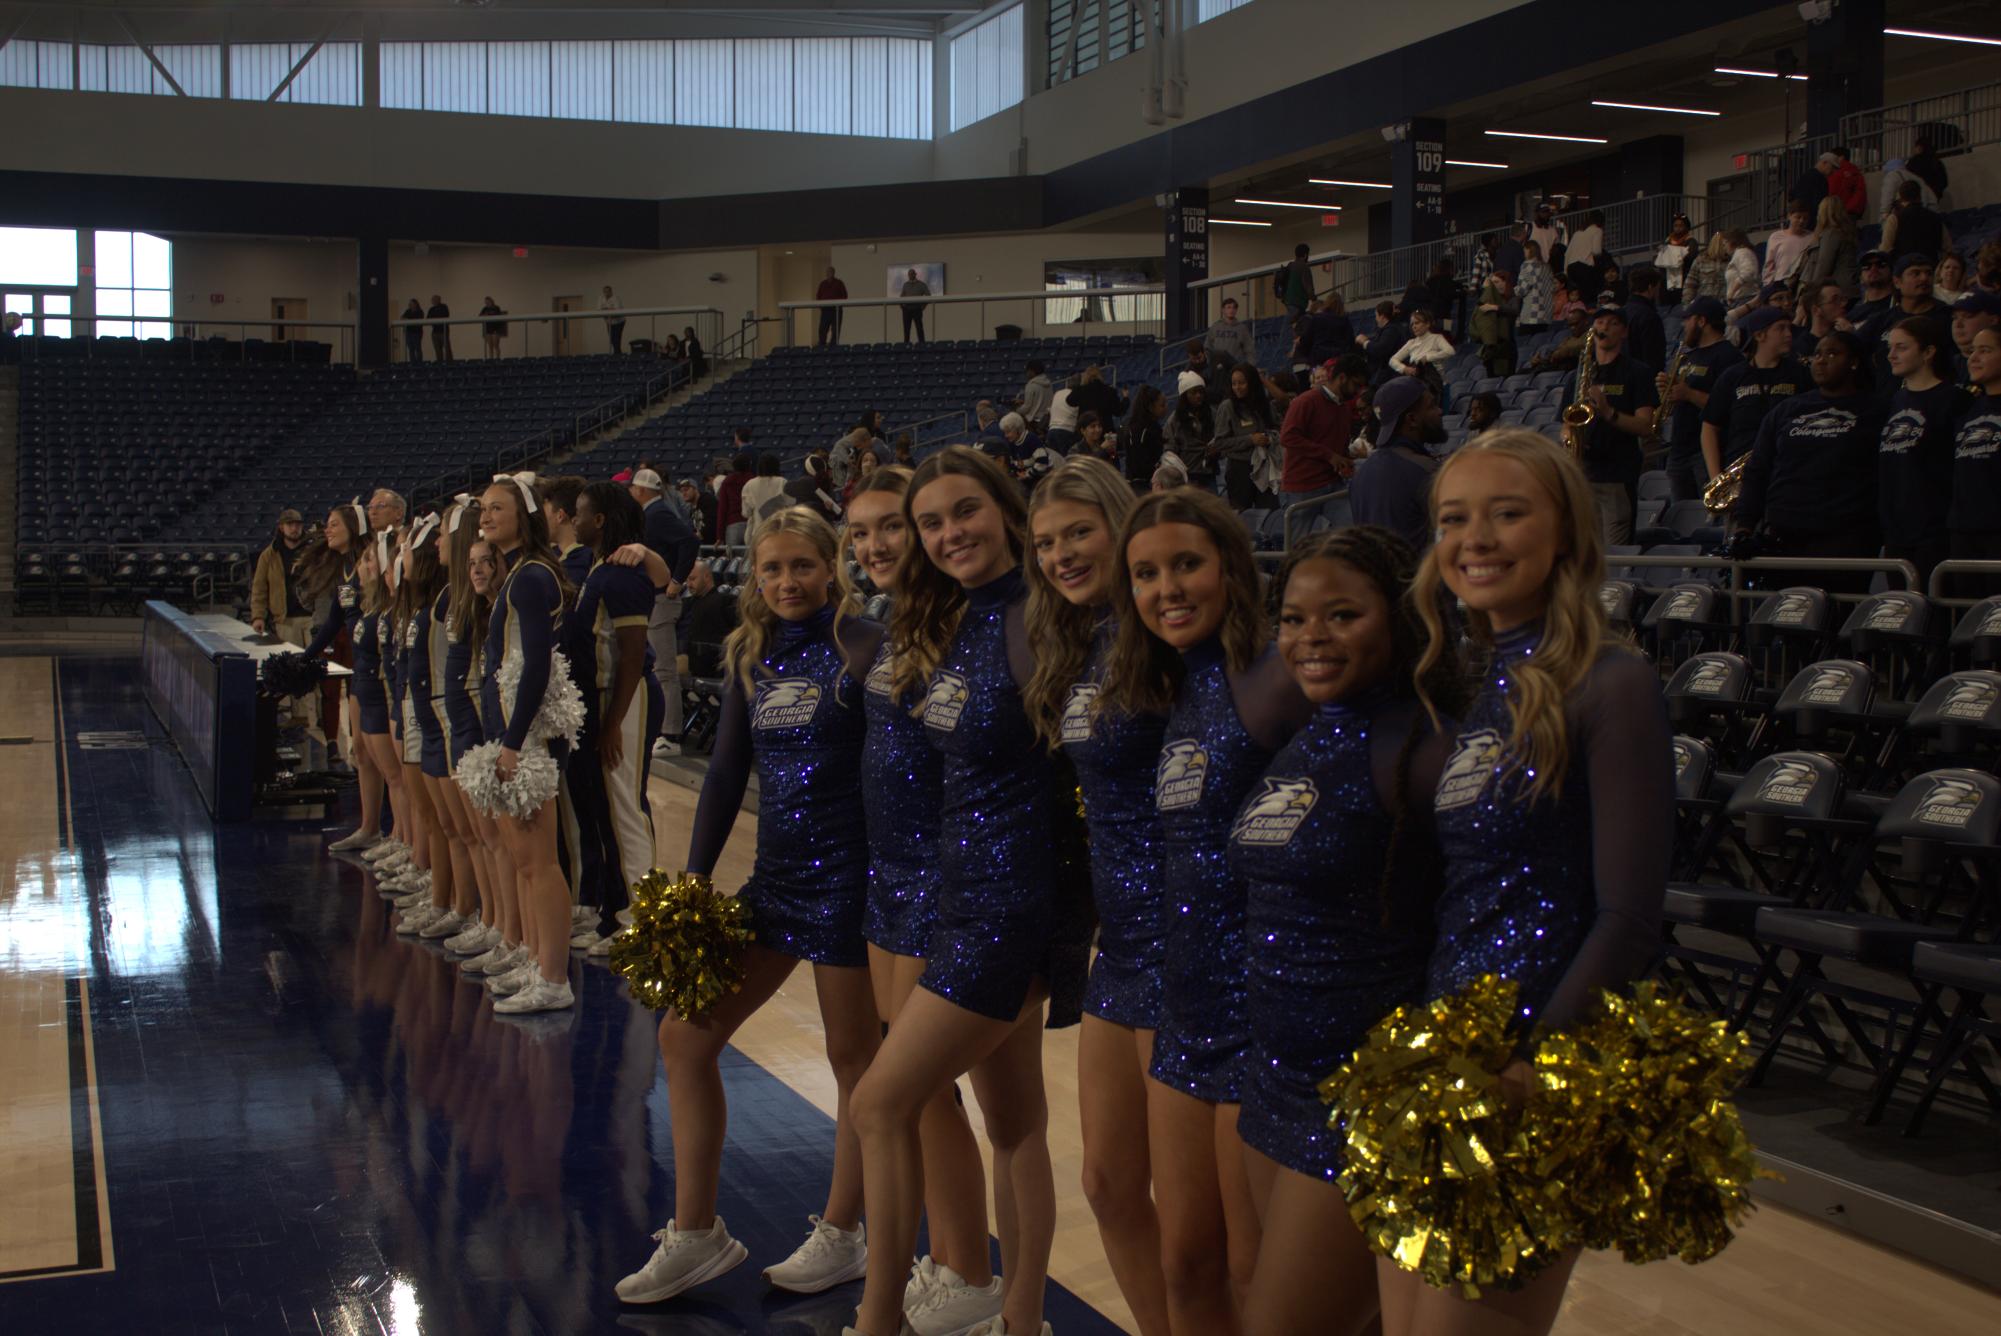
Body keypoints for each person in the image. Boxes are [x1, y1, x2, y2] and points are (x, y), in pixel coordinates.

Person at [1387, 428, 1671, 1336]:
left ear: (1566, 535)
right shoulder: (1475, 685)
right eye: (1453, 519)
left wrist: (1528, 1063)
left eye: (1506, 514)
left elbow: (1628, 913)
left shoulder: (1612, 683)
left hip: (1531, 1063)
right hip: (1444, 1052)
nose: (1475, 539)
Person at [615, 507, 883, 1306]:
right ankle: (696, 1234)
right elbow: (726, 772)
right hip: (775, 881)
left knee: (853, 1062)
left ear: (832, 566)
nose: (785, 583)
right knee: (684, 1038)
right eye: (770, 569)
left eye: (801, 566)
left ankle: (843, 1234)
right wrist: (694, 883)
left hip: (851, 883)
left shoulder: (865, 648)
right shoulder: (752, 654)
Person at [847, 447, 1085, 1336]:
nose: (950, 534)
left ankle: (877, 1323)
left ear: (1009, 512)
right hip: (954, 896)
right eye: (932, 523)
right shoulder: (954, 619)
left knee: (881, 1101)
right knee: (1014, 1121)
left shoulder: (1047, 617)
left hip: (1007, 909)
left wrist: (1067, 923)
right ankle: (1019, 1321)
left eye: (966, 512)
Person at [1236, 526, 1461, 1336]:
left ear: (1399, 620)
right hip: (1269, 1076)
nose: (1310, 639)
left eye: (1341, 615)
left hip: (1358, 1098)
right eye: (1293, 620)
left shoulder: (1429, 747)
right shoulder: (1302, 732)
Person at [1099, 486, 1312, 1336]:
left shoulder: (1277, 678)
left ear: (1230, 566)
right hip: (1182, 1007)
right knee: (1186, 1261)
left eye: (1185, 564)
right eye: (1146, 574)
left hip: (1262, 1010)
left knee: (1258, 1272)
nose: (1167, 589)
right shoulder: (1174, 685)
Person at [843, 468, 1003, 1333]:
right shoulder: (886, 624)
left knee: (915, 1092)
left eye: (890, 529)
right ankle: (955, 1266)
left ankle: (970, 1274)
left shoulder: (962, 627)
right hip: (887, 876)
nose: (873, 547)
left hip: (945, 877)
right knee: (921, 1096)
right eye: (859, 534)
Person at [1020, 457, 1172, 1336]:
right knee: (1108, 1186)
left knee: (1206, 1221)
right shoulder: (1071, 644)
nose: (1062, 554)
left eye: (1079, 531)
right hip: (1121, 945)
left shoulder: (1167, 638)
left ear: (1120, 525)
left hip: (1195, 945)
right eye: (1045, 543)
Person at [1731, 331, 1889, 578]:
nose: (1821, 360)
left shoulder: (1876, 411)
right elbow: (1758, 470)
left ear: (1854, 362)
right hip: (1785, 534)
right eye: (1816, 354)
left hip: (1845, 536)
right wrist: (1745, 526)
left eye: (1832, 353)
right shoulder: (1787, 410)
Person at [1878, 317, 1968, 585]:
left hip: (1935, 530)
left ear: (1928, 352)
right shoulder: (1895, 401)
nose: (1892, 355)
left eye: (1902, 347)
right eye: (1890, 348)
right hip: (1896, 530)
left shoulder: (1955, 399)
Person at [1564, 305, 1659, 545]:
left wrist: (1608, 412)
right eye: (1600, 322)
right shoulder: (1578, 376)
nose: (1604, 327)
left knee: (1614, 556)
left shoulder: (1638, 372)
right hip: (1584, 474)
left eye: (1612, 323)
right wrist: (1570, 440)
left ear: (1624, 332)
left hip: (1617, 475)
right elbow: (1563, 423)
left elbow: (1646, 426)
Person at [1701, 305, 1810, 484]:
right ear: (1760, 335)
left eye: (1789, 328)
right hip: (1740, 475)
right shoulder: (1732, 376)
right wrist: (1716, 478)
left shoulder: (1800, 374)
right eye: (1780, 328)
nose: (1789, 334)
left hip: (1787, 472)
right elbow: (1710, 427)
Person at [1658, 297, 1742, 503]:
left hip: (1705, 451)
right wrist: (1669, 388)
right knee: (1682, 515)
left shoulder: (1728, 356)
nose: (1683, 325)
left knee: (1709, 512)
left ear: (1702, 321)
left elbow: (1730, 406)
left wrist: (1688, 394)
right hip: (1679, 447)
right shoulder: (1690, 355)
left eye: (1688, 320)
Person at [1350, 376, 1446, 552]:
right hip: (1418, 577)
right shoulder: (1427, 472)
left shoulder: (1361, 474)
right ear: (1412, 420)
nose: (1439, 411)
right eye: (1432, 406)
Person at [1278, 354, 1366, 510]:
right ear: (1342, 378)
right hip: (1303, 487)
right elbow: (1288, 438)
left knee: (1351, 529)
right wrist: (1330, 456)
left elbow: (1337, 446)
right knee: (1299, 535)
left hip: (1332, 484)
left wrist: (1344, 460)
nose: (1358, 392)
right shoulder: (1305, 401)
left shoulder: (1344, 408)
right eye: (1356, 385)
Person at [1949, 328, 2001, 562]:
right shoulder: (1968, 408)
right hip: (1964, 530)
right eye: (1972, 351)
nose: (1974, 358)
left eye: (1985, 350)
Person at [1213, 363, 1281, 510]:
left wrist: (1270, 438)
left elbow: (1277, 428)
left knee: (1270, 512)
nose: (1237, 387)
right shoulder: (1227, 407)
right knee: (1241, 516)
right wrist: (1250, 440)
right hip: (1239, 469)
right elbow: (1219, 443)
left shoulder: (1265, 404)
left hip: (1265, 466)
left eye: (1242, 383)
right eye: (1234, 384)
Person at [251, 507, 312, 642]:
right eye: (290, 524)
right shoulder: (269, 555)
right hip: (285, 620)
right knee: (292, 661)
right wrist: (258, 616)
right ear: (281, 527)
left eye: (298, 524)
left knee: (318, 660)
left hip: (312, 617)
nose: (294, 528)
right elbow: (259, 588)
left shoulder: (313, 550)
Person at [1797, 196, 1859, 299]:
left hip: (1838, 292)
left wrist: (1810, 295)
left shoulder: (1831, 234)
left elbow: (1823, 266)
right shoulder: (1846, 233)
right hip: (1847, 289)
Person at [1169, 371, 1218, 494]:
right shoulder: (1175, 419)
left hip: (1209, 473)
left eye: (1201, 392)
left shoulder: (1212, 414)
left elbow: (1222, 439)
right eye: (1194, 392)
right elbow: (1169, 448)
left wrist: (1217, 450)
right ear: (1185, 395)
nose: (1198, 396)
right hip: (1187, 475)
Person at [1880, 180, 1951, 266]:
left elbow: (1885, 249)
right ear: (1920, 196)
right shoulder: (1935, 218)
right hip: (1930, 268)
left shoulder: (1894, 218)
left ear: (1901, 198)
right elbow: (1947, 248)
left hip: (1905, 270)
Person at [1471, 268, 1519, 378]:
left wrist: (1495, 307)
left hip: (1506, 347)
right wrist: (1485, 290)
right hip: (1492, 348)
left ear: (1505, 282)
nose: (1494, 285)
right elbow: (1480, 310)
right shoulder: (1491, 299)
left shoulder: (1512, 298)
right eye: (1492, 283)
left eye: (1497, 282)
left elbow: (1514, 310)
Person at [1793, 278, 1853, 362]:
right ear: (1816, 310)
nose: (1843, 304)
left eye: (1843, 299)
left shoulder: (1847, 334)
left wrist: (1851, 339)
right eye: (1835, 300)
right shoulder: (1801, 347)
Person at [1621, 266, 1666, 375]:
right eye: (1657, 288)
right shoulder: (1649, 317)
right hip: (1643, 381)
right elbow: (1653, 358)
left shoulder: (1620, 313)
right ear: (1650, 288)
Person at [1123, 384, 1168, 491]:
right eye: (1162, 405)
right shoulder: (1144, 430)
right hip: (1143, 485)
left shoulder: (1137, 426)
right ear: (1150, 407)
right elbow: (1139, 463)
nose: (1166, 408)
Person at [1387, 307, 1453, 377]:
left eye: (1417, 323)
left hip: (1436, 382)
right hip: (1417, 381)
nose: (1414, 326)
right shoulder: (1411, 342)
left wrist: (1427, 358)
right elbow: (1392, 360)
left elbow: (1450, 351)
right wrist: (1404, 369)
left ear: (1427, 324)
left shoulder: (1437, 338)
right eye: (1412, 324)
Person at [739, 452, 788, 543]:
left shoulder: (750, 484)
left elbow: (746, 513)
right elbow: (790, 507)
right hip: (780, 530)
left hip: (758, 532)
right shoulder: (782, 482)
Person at [1762, 204, 1814, 288]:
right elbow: (1769, 264)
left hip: (1803, 285)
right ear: (1789, 216)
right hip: (1780, 284)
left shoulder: (1812, 237)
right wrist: (1768, 285)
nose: (1801, 221)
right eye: (1798, 217)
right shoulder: (1776, 237)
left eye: (1805, 218)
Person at [1954, 291, 2001, 381]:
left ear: (1993, 320)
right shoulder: (1943, 365)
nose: (1958, 324)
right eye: (1954, 317)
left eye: (1968, 316)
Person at [785, 454, 844, 523]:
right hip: (824, 522)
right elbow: (836, 511)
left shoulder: (804, 481)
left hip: (806, 521)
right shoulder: (826, 482)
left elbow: (786, 488)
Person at [1722, 229, 1761, 333]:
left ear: (1732, 241)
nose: (1724, 247)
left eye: (1725, 243)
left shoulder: (1742, 252)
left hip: (1745, 300)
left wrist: (1732, 292)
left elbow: (1748, 272)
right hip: (1740, 300)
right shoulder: (1740, 254)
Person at [1653, 213, 1698, 302]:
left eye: (1681, 225)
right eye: (1676, 225)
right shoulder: (1667, 240)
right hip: (1667, 280)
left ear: (1686, 227)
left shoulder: (1691, 241)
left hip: (1683, 278)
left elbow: (1691, 257)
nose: (1678, 228)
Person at [1305, 296, 1357, 367]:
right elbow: (1350, 341)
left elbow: (1307, 339)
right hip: (1338, 357)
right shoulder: (1344, 320)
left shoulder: (1317, 318)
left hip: (1319, 356)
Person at [1364, 300, 1409, 383]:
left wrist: (1365, 343)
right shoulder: (1392, 328)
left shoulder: (1392, 330)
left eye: (1376, 316)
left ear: (1382, 316)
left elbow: (1381, 349)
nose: (1376, 319)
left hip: (1391, 375)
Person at [1564, 210, 1606, 298]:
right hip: (1584, 267)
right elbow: (1596, 251)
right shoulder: (1597, 230)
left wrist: (1565, 270)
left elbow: (1567, 253)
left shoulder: (1577, 233)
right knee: (1587, 295)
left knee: (1575, 296)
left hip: (1571, 267)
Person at [715, 450, 755, 542]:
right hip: (751, 524)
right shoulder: (753, 480)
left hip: (733, 525)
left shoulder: (727, 481)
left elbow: (722, 509)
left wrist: (719, 536)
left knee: (732, 556)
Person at [1683, 232, 1731, 308]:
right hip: (1704, 305)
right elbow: (1690, 284)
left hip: (1725, 305)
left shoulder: (1732, 261)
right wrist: (1687, 306)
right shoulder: (1701, 260)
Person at [1206, 296, 1256, 369]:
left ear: (1236, 310)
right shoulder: (1215, 327)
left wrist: (1250, 367)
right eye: (1228, 307)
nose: (1231, 310)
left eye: (1234, 308)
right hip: (1217, 366)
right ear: (1223, 310)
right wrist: (1209, 363)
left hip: (1234, 366)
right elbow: (1207, 347)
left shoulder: (1242, 328)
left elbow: (1249, 350)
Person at [1517, 242, 1555, 336]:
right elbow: (1552, 287)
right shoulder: (1547, 267)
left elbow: (1522, 290)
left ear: (1529, 250)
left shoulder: (1527, 266)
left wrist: (1512, 290)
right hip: (1546, 315)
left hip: (1531, 315)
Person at [1848, 250, 1895, 325]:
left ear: (1892, 272)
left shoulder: (1899, 305)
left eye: (1881, 264)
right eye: (1866, 266)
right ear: (1860, 278)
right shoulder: (1854, 313)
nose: (1873, 268)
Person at [1905, 136, 1949, 206]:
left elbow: (1907, 178)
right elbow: (1944, 181)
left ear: (1920, 147)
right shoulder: (1936, 161)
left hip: (1917, 199)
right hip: (1934, 197)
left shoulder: (1914, 162)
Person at [1828, 146, 1867, 220]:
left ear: (1841, 157)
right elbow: (1860, 192)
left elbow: (1832, 191)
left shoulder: (1835, 172)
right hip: (1853, 211)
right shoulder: (1856, 172)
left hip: (1838, 212)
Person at [1281, 243, 1315, 321]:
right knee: (1289, 327)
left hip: (1288, 301)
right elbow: (1308, 287)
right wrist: (1313, 298)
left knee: (1295, 326)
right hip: (1298, 303)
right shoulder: (1304, 267)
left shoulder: (1290, 266)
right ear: (1305, 255)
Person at [817, 266, 849, 347]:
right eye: (827, 272)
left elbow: (844, 296)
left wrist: (837, 303)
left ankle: (833, 346)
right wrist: (821, 306)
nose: (829, 274)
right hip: (825, 310)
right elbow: (818, 296)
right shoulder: (822, 284)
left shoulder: (839, 283)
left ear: (833, 273)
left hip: (836, 310)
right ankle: (822, 345)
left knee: (835, 329)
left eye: (830, 272)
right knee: (822, 329)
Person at [1017, 360, 1054, 429]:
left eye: (1027, 371)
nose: (1026, 373)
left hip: (1034, 421)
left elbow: (1027, 407)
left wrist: (1017, 409)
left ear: (1032, 371)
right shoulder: (1049, 384)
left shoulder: (1031, 385)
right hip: (1047, 419)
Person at [680, 477, 717, 544]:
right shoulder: (691, 508)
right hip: (703, 546)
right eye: (681, 491)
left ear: (695, 489)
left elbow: (712, 523)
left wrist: (696, 536)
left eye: (686, 490)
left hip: (714, 545)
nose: (684, 493)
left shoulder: (707, 500)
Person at [900, 268, 931, 345]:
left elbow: (928, 295)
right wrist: (902, 306)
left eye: (912, 274)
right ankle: (906, 344)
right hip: (907, 309)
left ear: (915, 274)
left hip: (917, 308)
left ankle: (922, 344)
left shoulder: (921, 284)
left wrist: (923, 306)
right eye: (909, 274)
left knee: (919, 328)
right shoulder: (905, 285)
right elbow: (901, 296)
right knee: (906, 329)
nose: (910, 275)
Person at [599, 285, 626, 355]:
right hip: (609, 322)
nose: (606, 293)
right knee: (612, 339)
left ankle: (617, 354)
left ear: (611, 292)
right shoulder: (601, 299)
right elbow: (599, 310)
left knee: (616, 339)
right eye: (605, 292)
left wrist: (606, 310)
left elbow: (617, 311)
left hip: (619, 322)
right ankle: (618, 353)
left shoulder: (616, 299)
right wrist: (609, 310)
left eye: (608, 291)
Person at [399, 297, 426, 364]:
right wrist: (406, 319)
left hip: (416, 332)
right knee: (411, 349)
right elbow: (402, 318)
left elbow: (417, 320)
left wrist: (408, 319)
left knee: (417, 348)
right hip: (409, 332)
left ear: (415, 304)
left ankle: (419, 363)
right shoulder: (408, 311)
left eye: (411, 303)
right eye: (409, 303)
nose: (410, 305)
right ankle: (412, 363)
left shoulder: (420, 311)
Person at [427, 294, 452, 362]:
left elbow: (445, 315)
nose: (433, 301)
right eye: (433, 300)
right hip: (435, 331)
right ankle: (440, 364)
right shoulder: (431, 309)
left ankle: (449, 363)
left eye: (435, 300)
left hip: (443, 331)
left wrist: (435, 317)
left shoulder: (444, 307)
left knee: (447, 349)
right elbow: (428, 318)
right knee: (437, 349)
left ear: (439, 300)